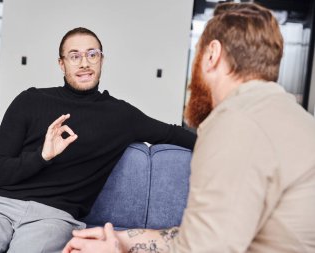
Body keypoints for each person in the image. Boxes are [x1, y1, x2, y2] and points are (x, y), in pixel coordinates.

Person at [62, 3, 315, 253]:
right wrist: (122, 240)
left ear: (212, 54)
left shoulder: (236, 123)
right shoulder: (292, 118)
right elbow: (203, 235)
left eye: (198, 53)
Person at [0, 27, 197, 253]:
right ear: (62, 64)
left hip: (53, 217)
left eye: (92, 54)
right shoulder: (30, 101)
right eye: (74, 56)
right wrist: (42, 156)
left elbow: (173, 133)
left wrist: (224, 143)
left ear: (101, 60)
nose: (84, 62)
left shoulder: (121, 115)